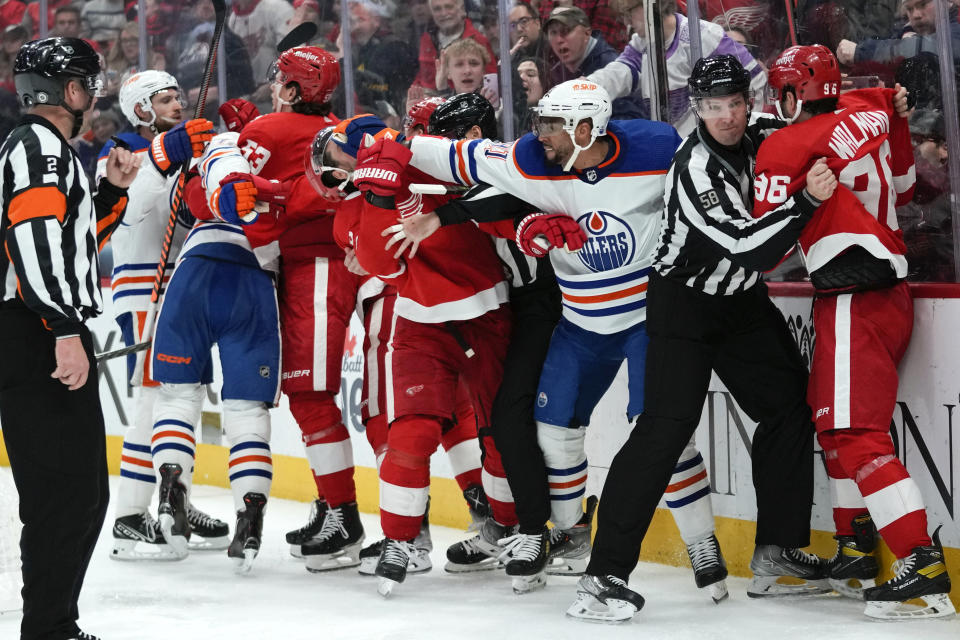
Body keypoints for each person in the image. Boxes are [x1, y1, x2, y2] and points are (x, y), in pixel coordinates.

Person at [380, 79, 723, 600]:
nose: (538, 135)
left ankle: (703, 544)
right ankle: (568, 532)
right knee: (551, 432)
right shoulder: (532, 160)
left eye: (550, 126)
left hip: (647, 320)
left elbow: (713, 178)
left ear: (586, 129)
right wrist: (391, 146)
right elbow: (466, 164)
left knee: (663, 433)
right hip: (580, 324)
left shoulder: (657, 148)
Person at [560, 55, 835, 624]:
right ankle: (602, 575)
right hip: (684, 304)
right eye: (713, 107)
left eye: (735, 103)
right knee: (665, 428)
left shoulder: (765, 132)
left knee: (787, 406)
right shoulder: (693, 170)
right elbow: (750, 247)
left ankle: (776, 552)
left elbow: (822, 127)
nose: (728, 117)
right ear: (697, 109)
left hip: (742, 305)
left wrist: (887, 110)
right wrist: (806, 200)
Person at [757, 44, 954, 620]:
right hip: (889, 295)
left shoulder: (784, 143)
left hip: (851, 298)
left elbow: (766, 232)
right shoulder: (874, 109)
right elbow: (908, 183)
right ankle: (855, 547)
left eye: (781, 92)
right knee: (831, 421)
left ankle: (922, 563)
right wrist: (889, 111)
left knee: (853, 432)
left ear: (794, 93)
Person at [333, 113, 516, 596]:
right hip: (418, 317)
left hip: (487, 313)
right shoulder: (356, 203)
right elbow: (378, 263)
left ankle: (508, 526)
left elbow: (512, 210)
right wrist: (378, 197)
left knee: (499, 428)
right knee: (410, 429)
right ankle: (400, 539)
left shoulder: (470, 170)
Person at [0, 36, 140, 640]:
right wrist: (61, 328)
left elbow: (68, 245)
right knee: (68, 497)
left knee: (78, 495)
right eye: (86, 81)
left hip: (39, 324)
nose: (94, 91)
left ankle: (52, 625)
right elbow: (31, 242)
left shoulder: (50, 151)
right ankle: (48, 630)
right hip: (35, 330)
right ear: (65, 91)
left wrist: (109, 191)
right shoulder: (38, 147)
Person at [101, 70, 228, 561]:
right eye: (165, 98)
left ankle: (176, 499)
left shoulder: (179, 152)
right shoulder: (121, 153)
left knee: (184, 400)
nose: (178, 104)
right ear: (140, 110)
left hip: (185, 288)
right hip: (143, 293)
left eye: (179, 96)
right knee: (155, 404)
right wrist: (164, 156)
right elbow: (130, 209)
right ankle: (131, 515)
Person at [588, 0, 767, 137]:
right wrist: (587, 86)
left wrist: (747, 132)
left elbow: (756, 80)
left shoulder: (702, 36)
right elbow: (621, 72)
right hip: (670, 147)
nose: (626, 22)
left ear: (653, 5)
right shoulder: (642, 42)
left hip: (706, 151)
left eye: (629, 12)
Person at [543, 6, 642, 119]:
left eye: (566, 31)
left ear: (587, 33)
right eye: (553, 32)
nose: (559, 40)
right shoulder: (557, 71)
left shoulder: (610, 64)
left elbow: (629, 120)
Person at [411, 0, 496, 92]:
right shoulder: (427, 40)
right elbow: (424, 79)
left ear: (462, 9)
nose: (444, 13)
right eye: (437, 9)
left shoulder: (478, 40)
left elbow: (491, 80)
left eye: (449, 7)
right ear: (432, 13)